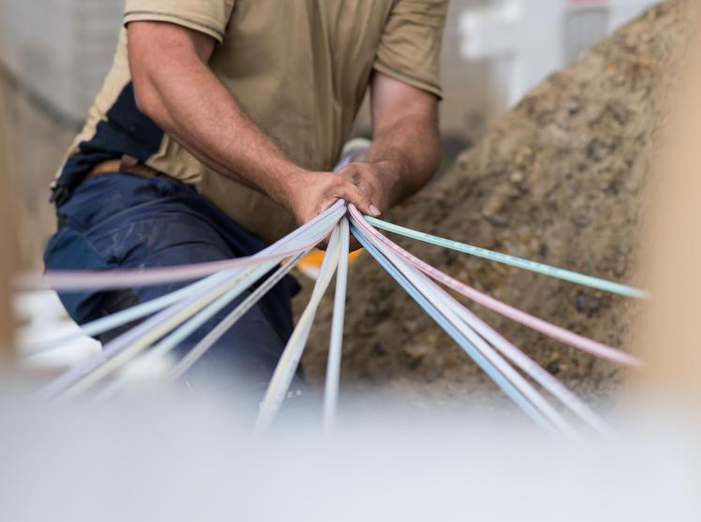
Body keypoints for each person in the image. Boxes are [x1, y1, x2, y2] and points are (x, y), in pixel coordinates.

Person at [44, 0, 446, 398]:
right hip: (143, 204)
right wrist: (294, 183)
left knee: (274, 425)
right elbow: (161, 66)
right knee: (253, 411)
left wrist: (381, 173)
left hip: (258, 255)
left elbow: (409, 113)